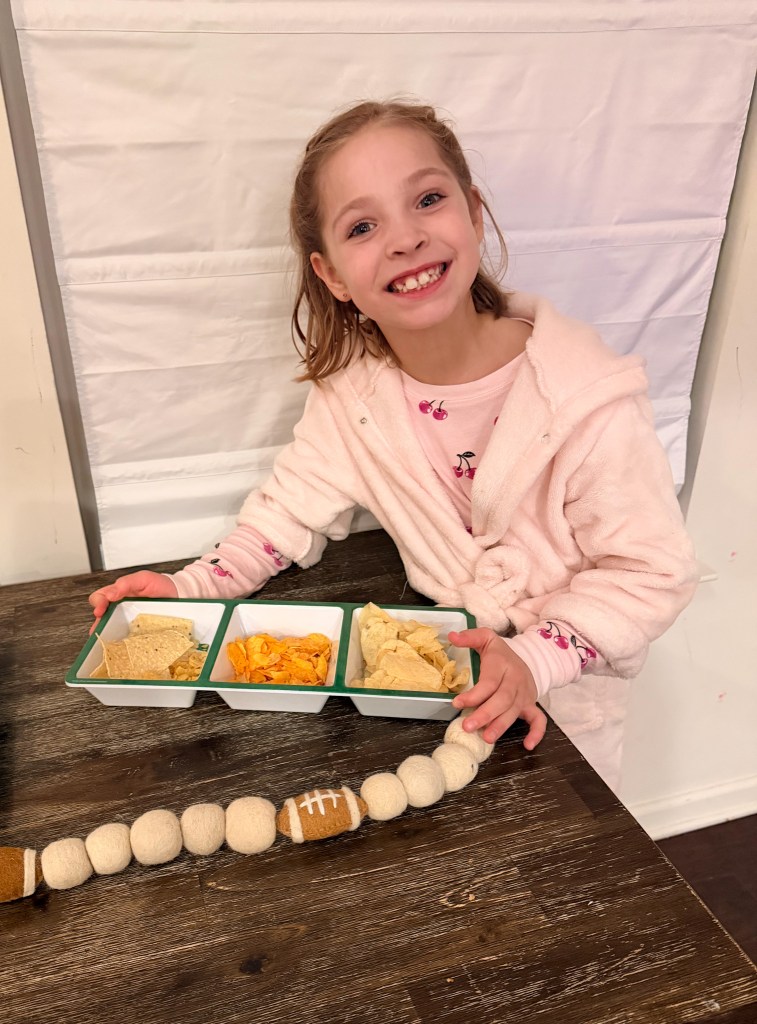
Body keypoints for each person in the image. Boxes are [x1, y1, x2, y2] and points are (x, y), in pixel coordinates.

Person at [89, 99, 698, 792]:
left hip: (563, 695)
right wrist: (187, 590)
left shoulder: (586, 395)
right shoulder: (354, 398)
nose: (405, 239)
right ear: (333, 276)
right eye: (363, 226)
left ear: (473, 214)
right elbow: (280, 520)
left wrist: (535, 660)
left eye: (428, 200)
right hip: (426, 677)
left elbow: (650, 572)